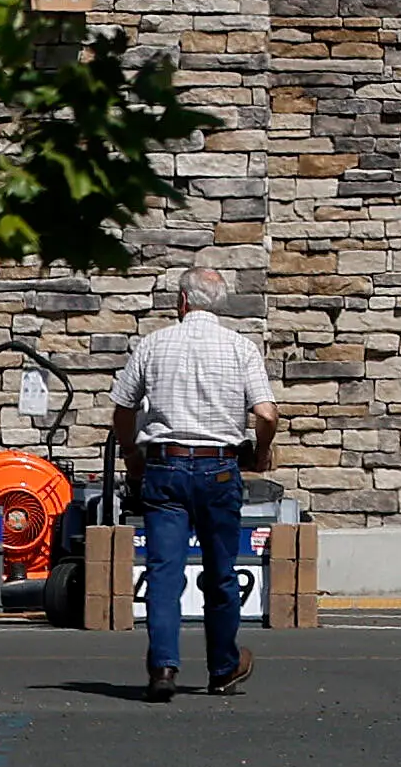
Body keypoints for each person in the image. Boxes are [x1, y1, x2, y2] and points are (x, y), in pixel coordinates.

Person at [107, 265, 279, 702]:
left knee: (164, 571)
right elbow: (266, 414)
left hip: (165, 465)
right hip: (219, 468)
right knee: (220, 572)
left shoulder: (154, 344)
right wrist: (261, 452)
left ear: (182, 302)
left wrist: (131, 454)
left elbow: (123, 408)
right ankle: (222, 667)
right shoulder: (240, 348)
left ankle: (163, 666)